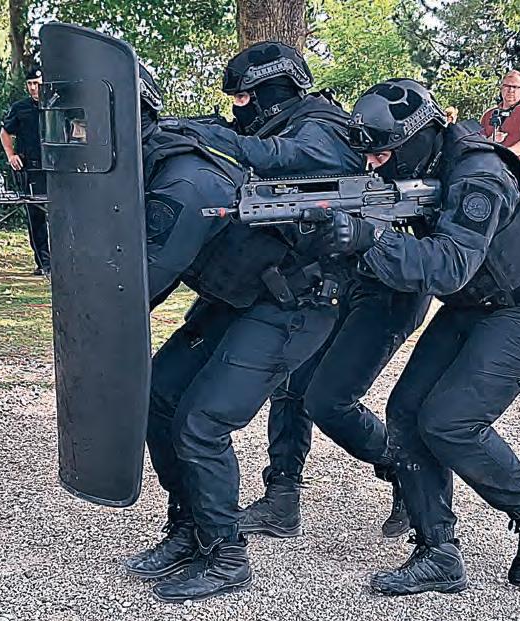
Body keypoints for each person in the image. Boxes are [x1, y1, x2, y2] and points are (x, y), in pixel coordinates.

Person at [333, 78, 520, 595]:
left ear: (417, 139)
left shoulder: (478, 175)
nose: (374, 164)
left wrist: (371, 239)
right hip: (476, 303)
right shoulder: (425, 166)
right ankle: (438, 553)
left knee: (451, 422)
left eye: (384, 154)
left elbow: (448, 267)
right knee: (405, 412)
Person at [183, 41, 431, 540]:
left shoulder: (322, 129)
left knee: (330, 400)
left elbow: (279, 156)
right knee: (290, 388)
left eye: (244, 98)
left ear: (270, 91)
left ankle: (407, 473)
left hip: (385, 289)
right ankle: (282, 497)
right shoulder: (300, 123)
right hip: (339, 280)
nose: (239, 109)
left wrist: (193, 133)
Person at [124, 64, 353, 602]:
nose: (237, 108)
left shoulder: (187, 174)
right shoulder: (164, 152)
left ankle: (226, 557)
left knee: (201, 422)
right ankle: (190, 527)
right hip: (240, 294)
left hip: (293, 303)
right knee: (160, 394)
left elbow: (147, 278)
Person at [0, 67, 51, 275]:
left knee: (62, 215)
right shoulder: (20, 108)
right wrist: (11, 155)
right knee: (35, 217)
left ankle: (66, 260)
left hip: (57, 169)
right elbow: (5, 132)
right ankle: (44, 263)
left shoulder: (58, 105)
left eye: (36, 83)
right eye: (29, 84)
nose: (33, 88)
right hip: (31, 169)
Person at [480, 70, 520, 185]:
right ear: (501, 88)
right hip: (491, 177)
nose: (511, 90)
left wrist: (504, 155)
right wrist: (491, 139)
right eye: (507, 86)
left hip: (517, 179)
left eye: (515, 87)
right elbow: (480, 144)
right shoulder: (488, 115)